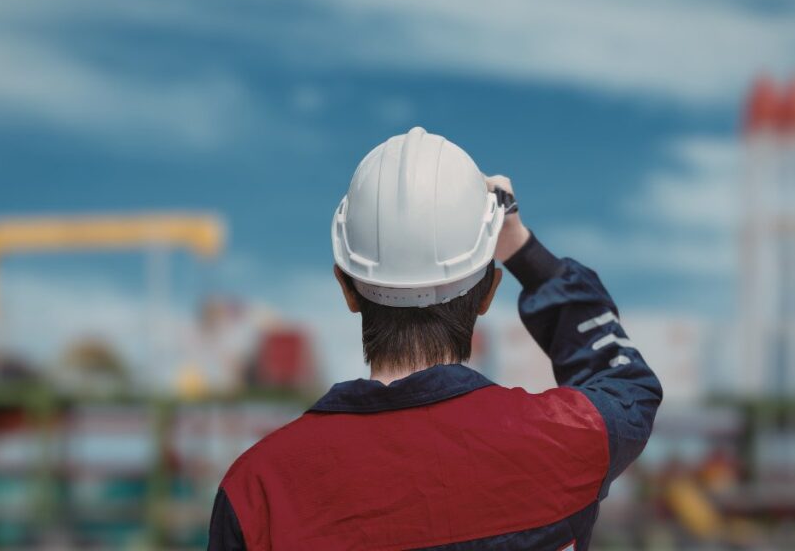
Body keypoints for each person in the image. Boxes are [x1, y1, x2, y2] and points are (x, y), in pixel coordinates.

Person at [208, 127, 662, 550]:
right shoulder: (566, 440)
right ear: (488, 293)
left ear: (346, 288)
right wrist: (522, 250)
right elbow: (627, 385)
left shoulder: (257, 490)